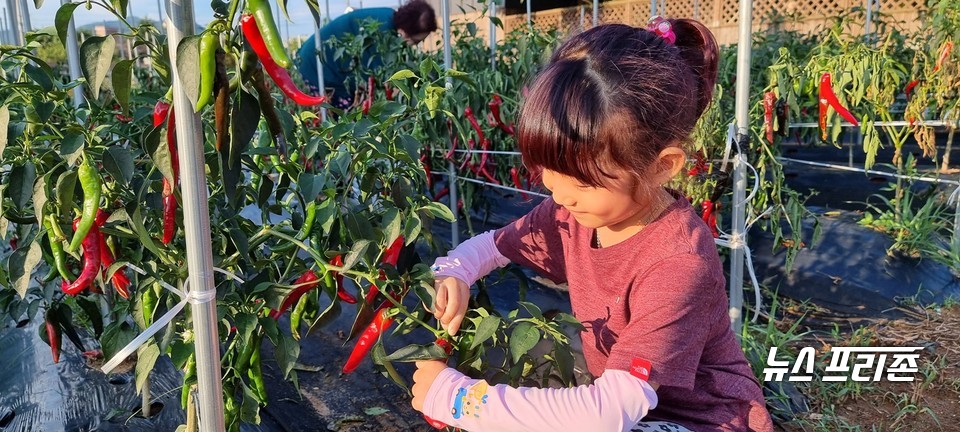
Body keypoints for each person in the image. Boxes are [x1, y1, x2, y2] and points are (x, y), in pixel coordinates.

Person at [409, 19, 775, 432]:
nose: (558, 192)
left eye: (583, 179)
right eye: (548, 166)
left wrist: (457, 399)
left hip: (702, 422)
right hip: (636, 411)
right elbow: (492, 246)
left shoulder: (676, 264)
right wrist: (455, 271)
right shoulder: (574, 212)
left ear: (662, 167)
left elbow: (603, 414)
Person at [297, 0, 437, 108]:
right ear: (406, 32)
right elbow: (378, 76)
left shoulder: (387, 17)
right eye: (417, 40)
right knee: (339, 117)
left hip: (317, 60)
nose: (415, 45)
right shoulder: (383, 33)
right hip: (314, 65)